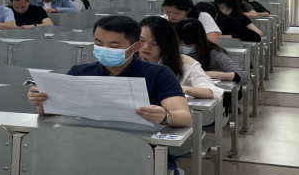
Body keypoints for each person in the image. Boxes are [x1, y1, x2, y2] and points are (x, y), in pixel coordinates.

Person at [27, 16, 191, 174]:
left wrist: (165, 116)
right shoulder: (80, 72)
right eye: (99, 44)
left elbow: (184, 117)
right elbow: (53, 111)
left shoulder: (158, 73)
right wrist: (41, 102)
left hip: (141, 151)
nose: (105, 50)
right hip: (86, 149)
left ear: (135, 47)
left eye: (113, 47)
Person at [138, 16, 222, 100]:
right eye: (141, 40)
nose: (146, 47)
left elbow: (211, 91)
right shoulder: (130, 58)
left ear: (166, 43)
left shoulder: (185, 63)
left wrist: (179, 88)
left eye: (154, 43)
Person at [174, 19, 248, 86]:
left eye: (188, 45)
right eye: (179, 44)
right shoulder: (172, 51)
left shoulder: (213, 53)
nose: (183, 47)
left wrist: (211, 74)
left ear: (199, 41)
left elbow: (243, 76)